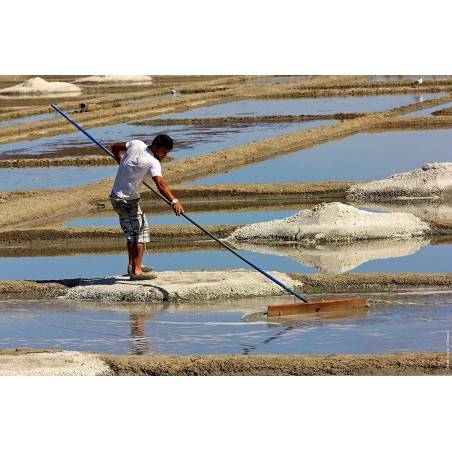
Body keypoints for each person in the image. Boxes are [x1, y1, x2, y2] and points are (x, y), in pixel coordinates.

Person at [110, 134, 184, 280]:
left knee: (131, 233)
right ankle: (136, 271)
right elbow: (160, 184)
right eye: (163, 152)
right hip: (127, 201)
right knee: (141, 232)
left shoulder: (136, 144)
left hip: (115, 197)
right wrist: (174, 201)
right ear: (155, 147)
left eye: (166, 153)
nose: (164, 156)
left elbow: (114, 146)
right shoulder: (152, 162)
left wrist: (118, 158)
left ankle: (132, 266)